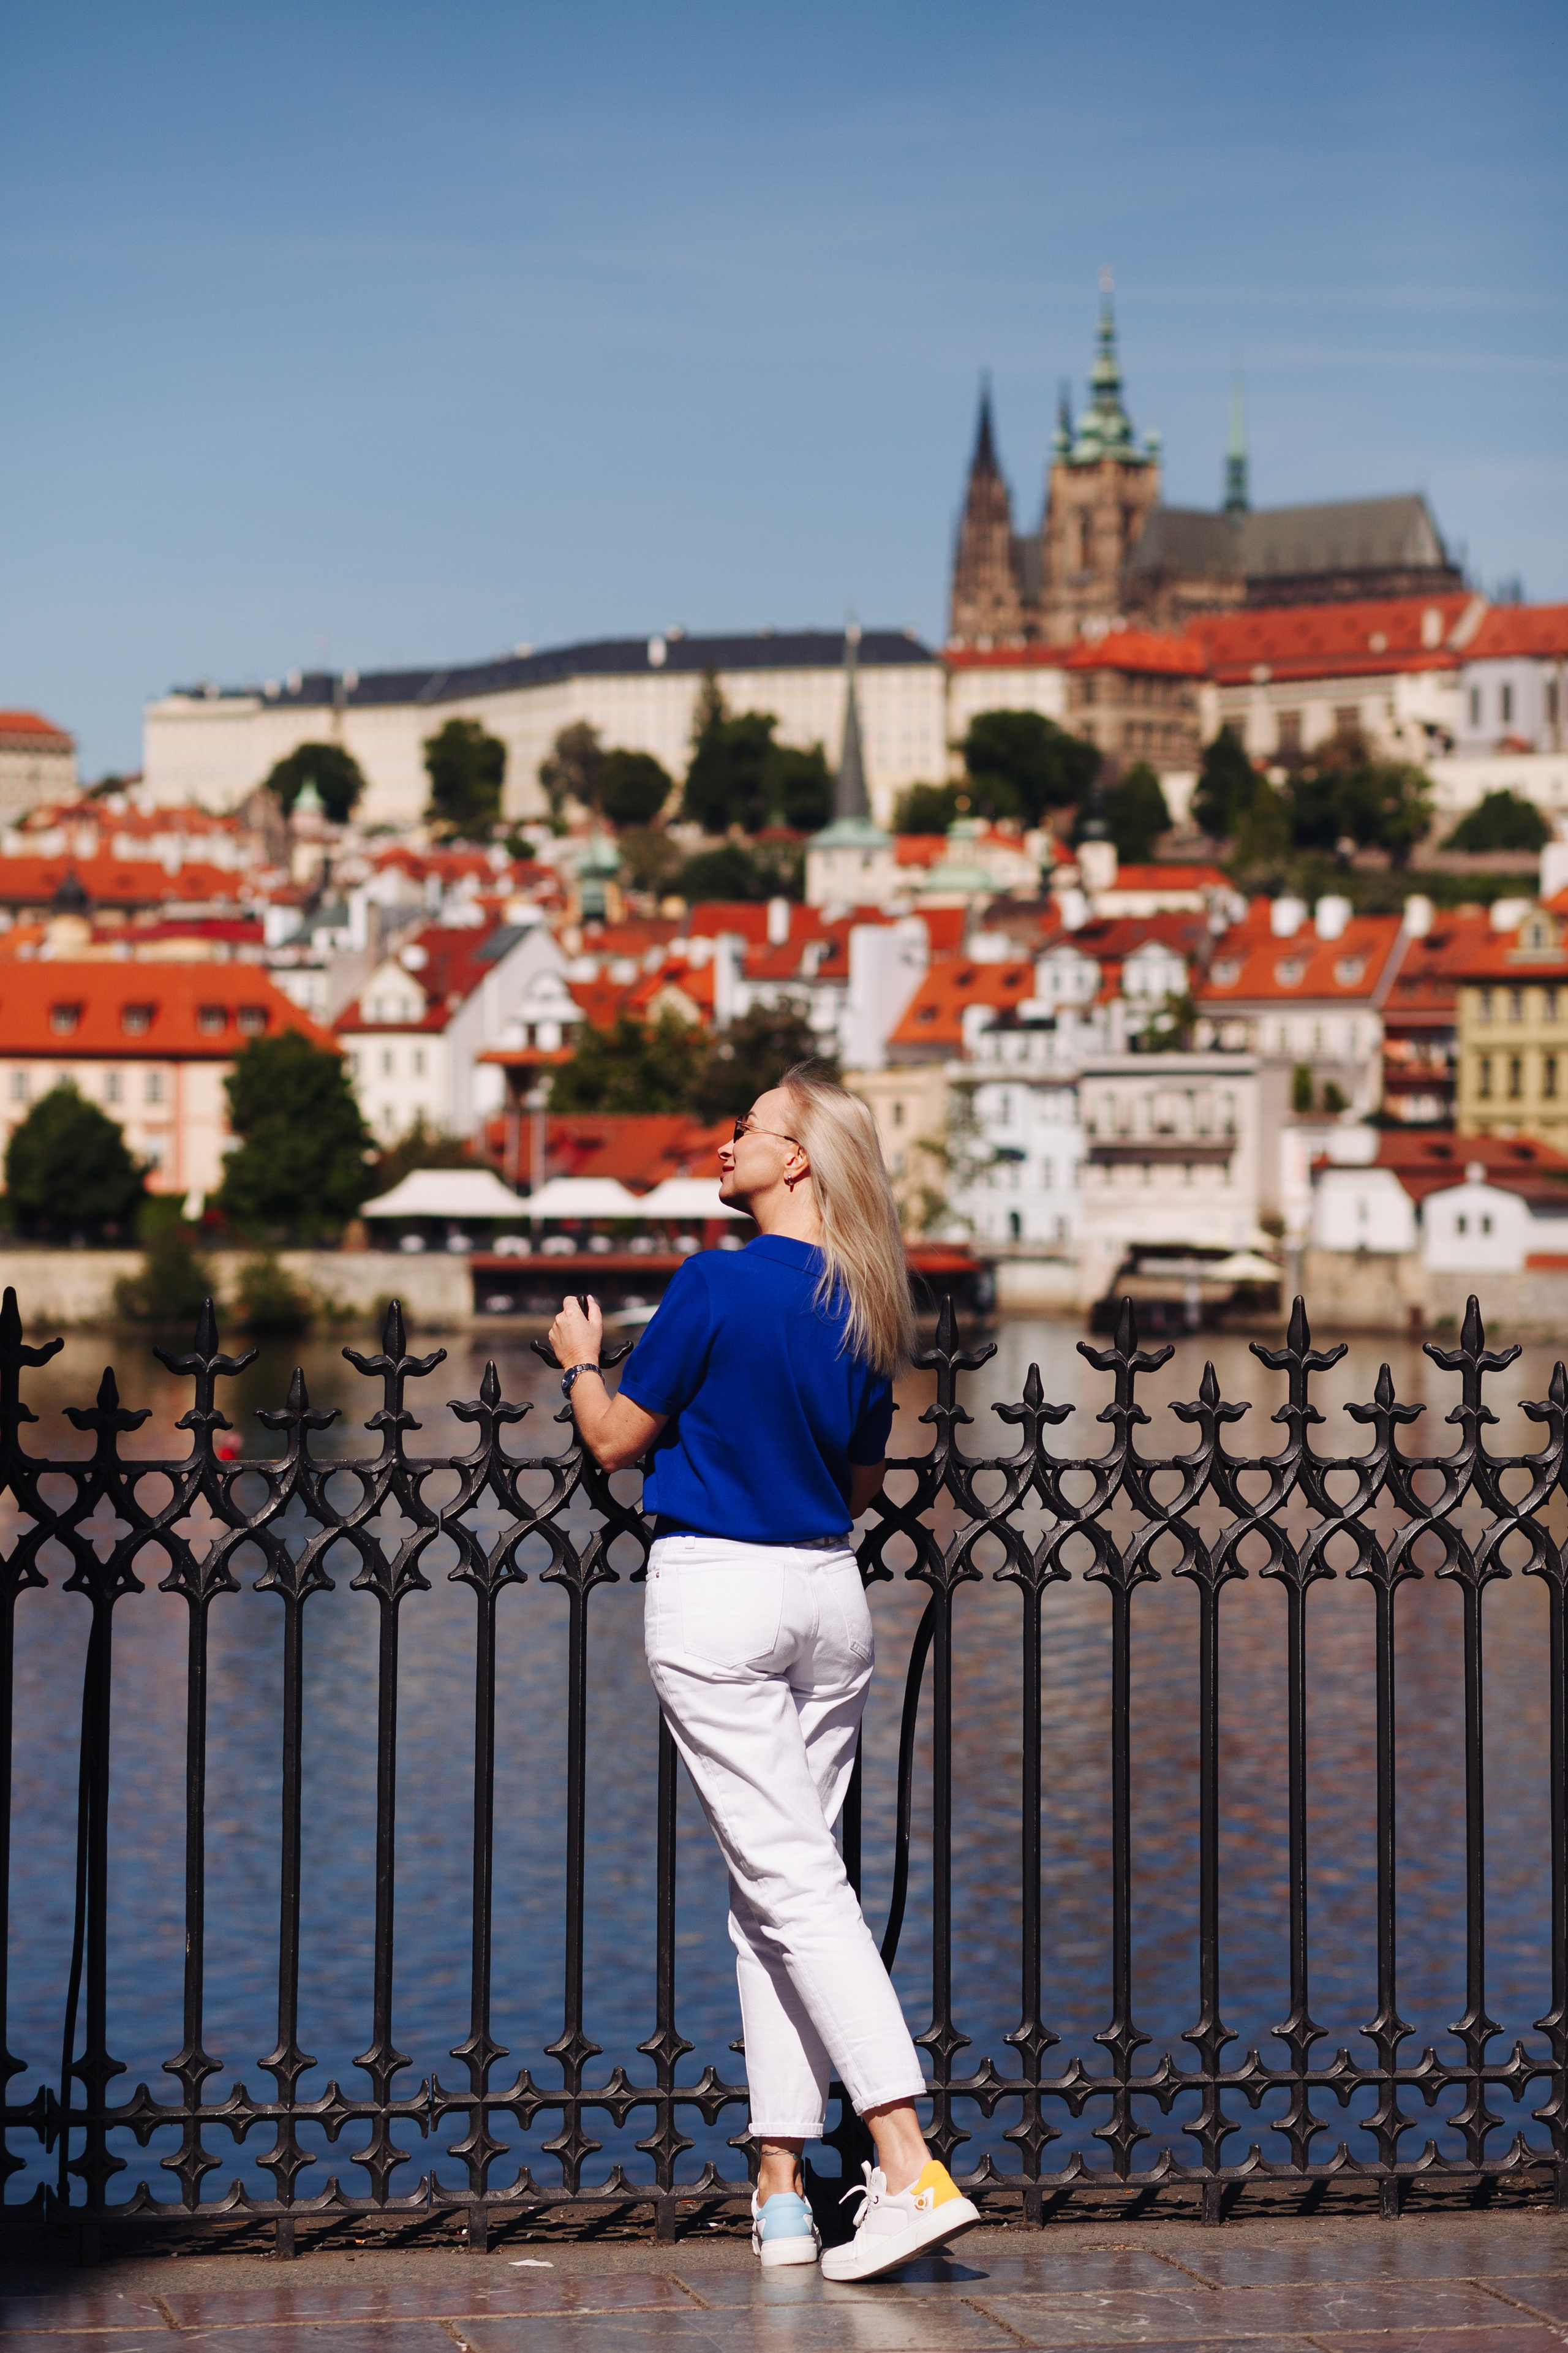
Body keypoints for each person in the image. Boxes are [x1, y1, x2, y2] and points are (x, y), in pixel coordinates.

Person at [548, 1066, 979, 2282]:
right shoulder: (866, 1301)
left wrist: (582, 1361)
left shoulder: (714, 1281)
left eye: (746, 1127)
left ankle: (908, 2162)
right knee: (777, 1888)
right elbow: (858, 1484)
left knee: (793, 1885)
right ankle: (781, 2190)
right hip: (827, 1595)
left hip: (721, 1594)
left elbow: (613, 1439)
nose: (723, 1140)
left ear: (795, 1159)